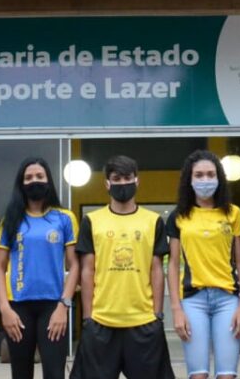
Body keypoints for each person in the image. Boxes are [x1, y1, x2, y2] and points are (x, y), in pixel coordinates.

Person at [69, 155, 175, 379]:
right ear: (107, 183)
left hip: (144, 321)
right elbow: (87, 270)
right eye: (116, 178)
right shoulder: (92, 221)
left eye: (127, 177)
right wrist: (88, 317)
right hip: (101, 322)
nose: (122, 183)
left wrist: (157, 314)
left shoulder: (153, 221)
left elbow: (157, 269)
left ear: (137, 181)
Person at [0, 157, 79, 379]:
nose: (34, 181)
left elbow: (75, 265)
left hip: (53, 306)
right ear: (21, 184)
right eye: (28, 177)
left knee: (54, 373)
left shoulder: (64, 218)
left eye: (39, 176)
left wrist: (64, 305)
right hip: (18, 307)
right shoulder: (10, 220)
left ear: (48, 181)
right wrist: (4, 309)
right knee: (21, 374)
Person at [167, 150, 240, 379]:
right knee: (198, 375)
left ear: (219, 178)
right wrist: (176, 309)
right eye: (199, 175)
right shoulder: (178, 216)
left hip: (228, 300)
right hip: (193, 301)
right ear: (189, 179)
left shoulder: (233, 213)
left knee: (227, 375)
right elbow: (173, 265)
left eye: (211, 174)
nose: (205, 180)